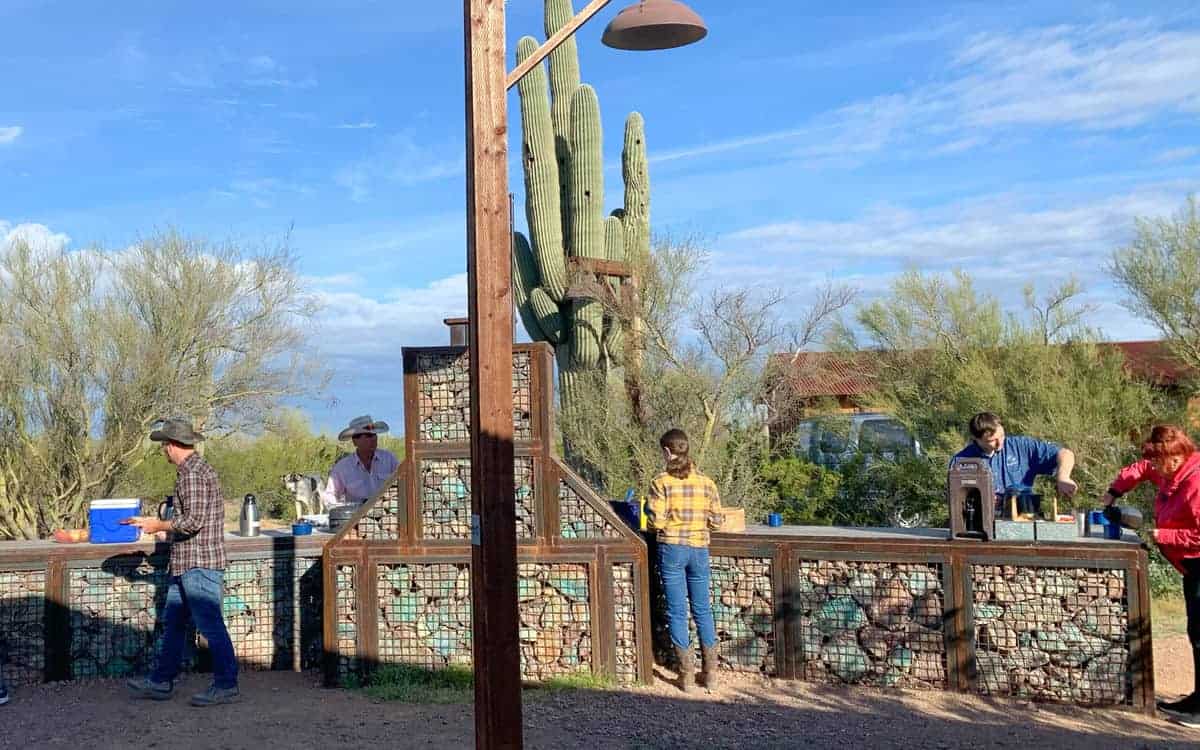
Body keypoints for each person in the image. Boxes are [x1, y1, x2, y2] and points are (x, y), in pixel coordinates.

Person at [122, 418, 240, 707]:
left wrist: (156, 524)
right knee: (174, 623)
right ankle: (161, 681)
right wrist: (156, 524)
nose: (163, 450)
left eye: (164, 445)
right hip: (188, 562)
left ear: (172, 445)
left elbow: (193, 521)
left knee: (210, 625)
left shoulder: (192, 475)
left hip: (198, 563)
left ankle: (226, 684)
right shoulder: (197, 470)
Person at [1099, 425, 1200, 727]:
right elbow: (1140, 469)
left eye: (1159, 461)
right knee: (1196, 633)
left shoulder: (1195, 482)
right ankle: (1197, 697)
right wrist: (1114, 492)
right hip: (1191, 567)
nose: (1154, 467)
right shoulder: (1171, 473)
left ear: (1175, 456)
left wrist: (1164, 535)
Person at [645, 428, 724, 692]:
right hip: (699, 548)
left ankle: (686, 676)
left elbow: (656, 521)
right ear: (686, 450)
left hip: (672, 550)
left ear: (667, 452)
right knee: (703, 609)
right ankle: (711, 673)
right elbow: (717, 521)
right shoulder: (707, 483)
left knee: (677, 611)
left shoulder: (660, 482)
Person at [952, 411, 1078, 502]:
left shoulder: (1021, 446)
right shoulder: (961, 462)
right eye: (992, 440)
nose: (1000, 442)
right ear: (976, 439)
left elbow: (1065, 453)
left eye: (1001, 435)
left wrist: (1063, 477)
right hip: (982, 522)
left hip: (1022, 517)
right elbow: (956, 498)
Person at [321, 415, 400, 510]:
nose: (373, 438)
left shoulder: (389, 459)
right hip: (355, 519)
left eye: (374, 435)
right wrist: (341, 511)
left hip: (386, 517)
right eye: (368, 436)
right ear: (355, 441)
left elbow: (402, 484)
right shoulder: (342, 467)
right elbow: (330, 495)